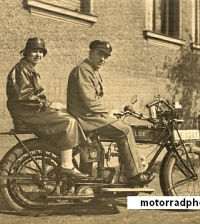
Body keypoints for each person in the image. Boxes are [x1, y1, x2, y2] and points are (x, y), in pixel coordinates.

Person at [66, 40, 155, 185]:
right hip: (86, 118)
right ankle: (134, 175)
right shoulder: (84, 70)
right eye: (99, 54)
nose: (102, 59)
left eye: (106, 56)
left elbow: (92, 100)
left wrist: (109, 112)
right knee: (125, 131)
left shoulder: (92, 71)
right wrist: (107, 114)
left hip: (89, 116)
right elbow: (89, 101)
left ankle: (86, 183)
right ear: (90, 53)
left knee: (94, 147)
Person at [6, 37, 88, 178]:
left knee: (70, 113)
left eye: (41, 51)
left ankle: (67, 157)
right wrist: (49, 105)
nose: (38, 54)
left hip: (31, 109)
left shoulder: (28, 68)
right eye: (34, 51)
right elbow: (24, 97)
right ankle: (67, 165)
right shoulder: (22, 68)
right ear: (26, 53)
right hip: (27, 112)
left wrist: (54, 105)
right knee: (69, 122)